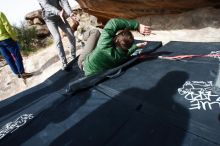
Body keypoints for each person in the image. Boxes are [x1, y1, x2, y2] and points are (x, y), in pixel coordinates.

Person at [78, 18, 151, 76]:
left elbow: (113, 22)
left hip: (84, 64)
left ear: (116, 40)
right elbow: (128, 52)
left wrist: (137, 26)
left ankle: (80, 36)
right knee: (98, 44)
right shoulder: (122, 56)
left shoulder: (104, 44)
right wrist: (136, 46)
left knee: (95, 32)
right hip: (95, 72)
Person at [38, 0, 79, 71]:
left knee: (71, 35)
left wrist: (71, 14)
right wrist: (58, 12)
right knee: (57, 38)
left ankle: (73, 57)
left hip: (60, 17)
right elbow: (46, 6)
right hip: (50, 20)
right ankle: (64, 63)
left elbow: (64, 2)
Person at [0, 11, 32, 79]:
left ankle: (17, 73)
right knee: (17, 55)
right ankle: (22, 73)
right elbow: (7, 26)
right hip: (7, 39)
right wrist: (13, 37)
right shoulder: (0, 13)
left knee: (8, 58)